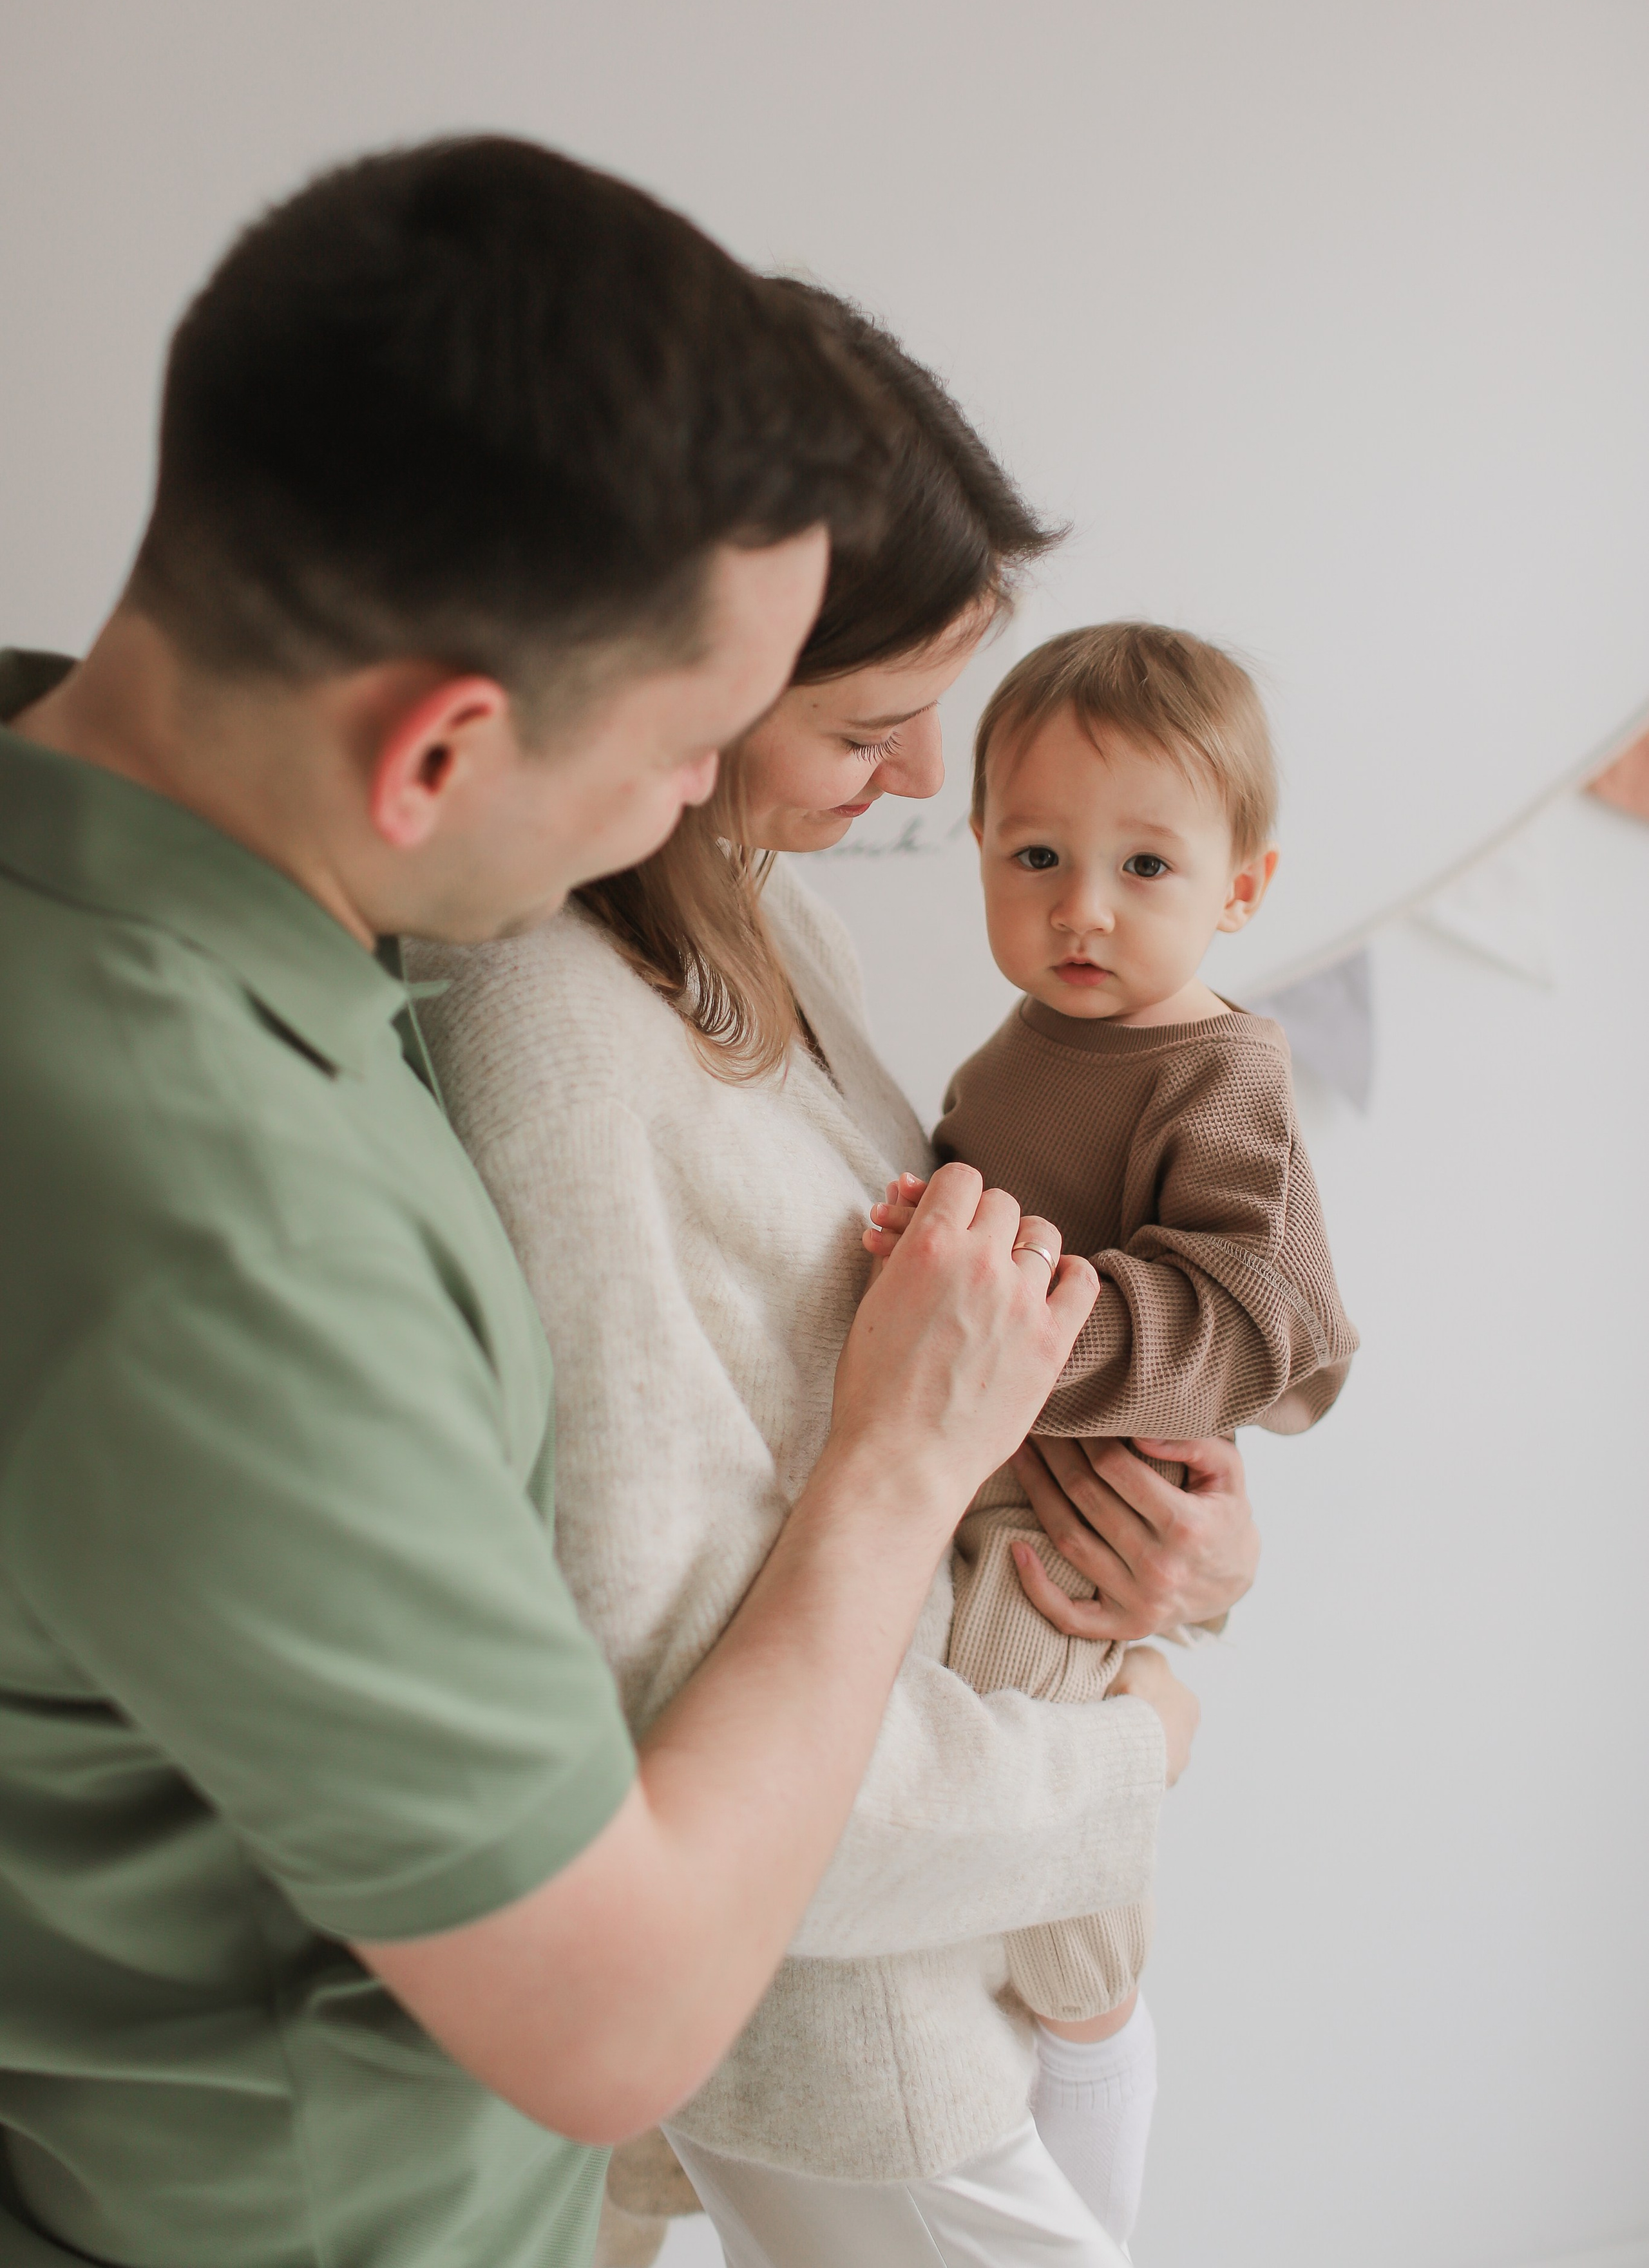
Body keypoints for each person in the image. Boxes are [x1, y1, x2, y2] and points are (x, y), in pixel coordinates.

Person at [0, 142, 1119, 2268]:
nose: (709, 806)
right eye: (697, 746)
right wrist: (901, 1461)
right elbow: (612, 2020)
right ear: (435, 756)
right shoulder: (236, 1241)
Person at [414, 293, 1259, 2268]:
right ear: (680, 679)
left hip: (942, 1921)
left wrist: (1177, 1551)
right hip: (845, 1999)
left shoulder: (759, 930)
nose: (923, 784)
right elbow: (664, 1708)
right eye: (869, 727)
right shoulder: (542, 1025)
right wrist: (1131, 1750)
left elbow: (941, 1380)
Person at [869, 618, 1358, 2244]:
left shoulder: (1217, 1071)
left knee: (1043, 1862)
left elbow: (1259, 1318)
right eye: (1035, 854)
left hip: (1087, 1511)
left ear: (1237, 889)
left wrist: (1019, 1313)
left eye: (1144, 865)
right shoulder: (1018, 1046)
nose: (1080, 906)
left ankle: (1093, 2086)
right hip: (993, 1467)